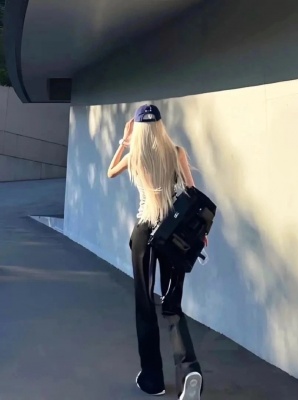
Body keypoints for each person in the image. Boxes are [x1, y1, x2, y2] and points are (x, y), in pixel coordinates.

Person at [107, 104, 204, 400]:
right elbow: (192, 196)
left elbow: (110, 172)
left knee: (145, 306)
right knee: (172, 306)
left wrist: (124, 142)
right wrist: (200, 234)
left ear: (139, 129)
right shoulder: (177, 152)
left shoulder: (134, 156)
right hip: (173, 235)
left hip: (144, 234)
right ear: (160, 126)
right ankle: (190, 371)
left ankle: (153, 380)